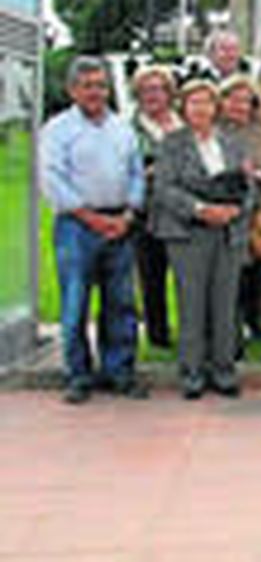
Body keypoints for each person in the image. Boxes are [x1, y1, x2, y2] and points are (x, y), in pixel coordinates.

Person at [41, 56, 150, 404]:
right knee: (75, 304)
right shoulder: (57, 130)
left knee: (121, 303)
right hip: (77, 226)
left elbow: (136, 173)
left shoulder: (122, 127)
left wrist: (129, 214)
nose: (95, 92)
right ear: (72, 90)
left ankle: (119, 372)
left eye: (101, 85)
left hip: (120, 225)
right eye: (87, 86)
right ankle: (78, 375)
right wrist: (91, 218)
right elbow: (52, 179)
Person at [151, 79, 252, 399]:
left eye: (207, 102)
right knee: (192, 303)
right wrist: (200, 209)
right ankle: (192, 372)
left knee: (224, 303)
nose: (201, 109)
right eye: (194, 103)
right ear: (183, 107)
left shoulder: (233, 143)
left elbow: (247, 185)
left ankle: (224, 370)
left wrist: (234, 211)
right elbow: (164, 189)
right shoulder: (172, 143)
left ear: (217, 107)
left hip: (228, 232)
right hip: (187, 233)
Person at [218, 75, 261, 339]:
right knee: (229, 269)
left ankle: (253, 318)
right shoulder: (214, 130)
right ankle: (228, 320)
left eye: (245, 102)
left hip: (257, 208)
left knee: (256, 269)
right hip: (224, 209)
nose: (239, 107)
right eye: (233, 100)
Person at [128, 64, 181, 349]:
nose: (153, 95)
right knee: (152, 276)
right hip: (148, 211)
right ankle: (158, 336)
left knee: (188, 276)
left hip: (184, 212)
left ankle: (193, 332)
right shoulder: (130, 128)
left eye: (159, 88)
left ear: (169, 93)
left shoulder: (183, 122)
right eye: (146, 89)